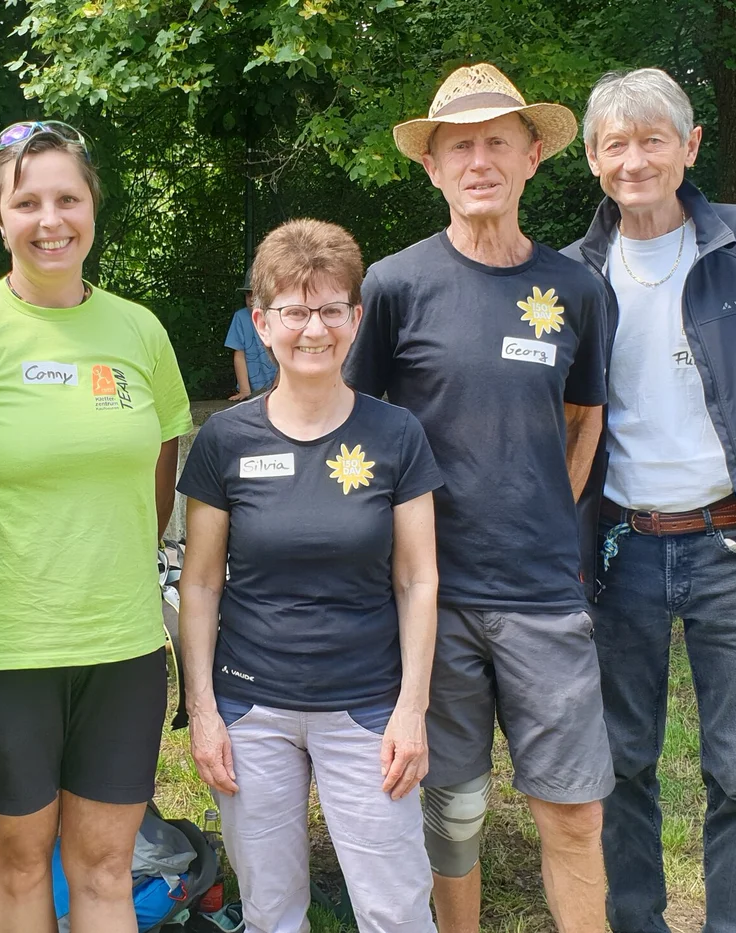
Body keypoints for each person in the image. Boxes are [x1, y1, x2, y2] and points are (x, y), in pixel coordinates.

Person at [562, 68, 736, 933]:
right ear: (593, 160)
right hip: (623, 551)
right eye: (616, 143)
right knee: (623, 765)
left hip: (733, 546)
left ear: (690, 146)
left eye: (653, 139)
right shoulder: (571, 275)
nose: (635, 159)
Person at [342, 63, 615, 933]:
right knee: (452, 816)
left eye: (498, 141)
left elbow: (585, 422)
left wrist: (535, 515)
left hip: (543, 595)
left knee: (574, 811)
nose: (479, 160)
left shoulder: (577, 290)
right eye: (459, 145)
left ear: (534, 155)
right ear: (432, 166)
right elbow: (358, 429)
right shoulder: (394, 284)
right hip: (434, 601)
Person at [0, 119, 191, 933]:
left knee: (107, 864)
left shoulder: (140, 331)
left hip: (123, 644)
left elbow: (158, 480)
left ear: (93, 207)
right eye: (26, 201)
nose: (50, 219)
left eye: (67, 197)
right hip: (3, 649)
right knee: (21, 859)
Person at [179, 219, 443, 933]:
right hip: (252, 711)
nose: (313, 329)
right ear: (261, 324)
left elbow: (418, 580)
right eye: (294, 311)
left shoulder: (396, 434)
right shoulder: (225, 442)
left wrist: (412, 708)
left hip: (368, 708)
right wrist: (203, 710)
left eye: (330, 309)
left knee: (395, 908)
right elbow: (199, 586)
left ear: (355, 318)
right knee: (269, 911)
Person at [223, 288, 276, 400]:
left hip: (281, 388)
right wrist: (244, 390)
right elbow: (239, 355)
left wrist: (278, 388)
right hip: (252, 391)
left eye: (256, 293)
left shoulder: (277, 316)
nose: (251, 298)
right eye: (248, 294)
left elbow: (285, 355)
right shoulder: (240, 317)